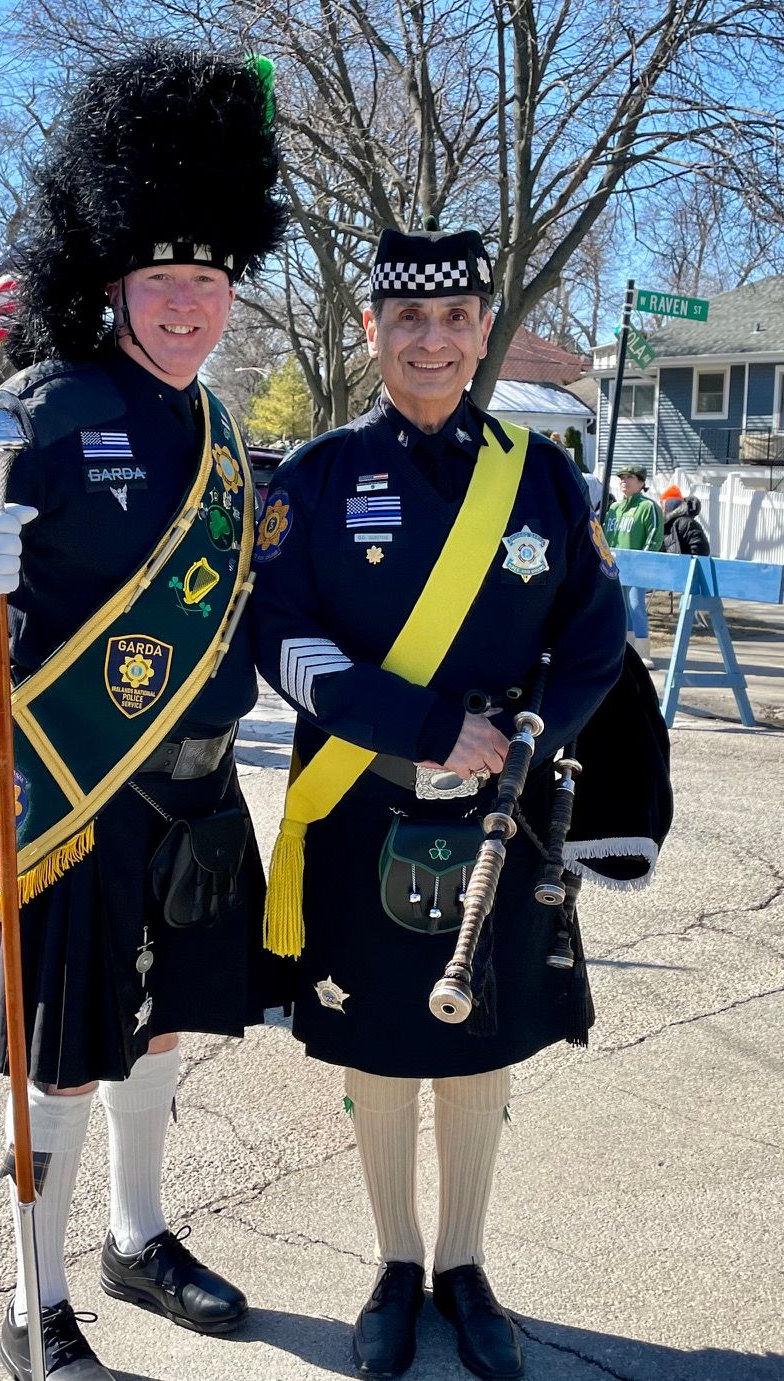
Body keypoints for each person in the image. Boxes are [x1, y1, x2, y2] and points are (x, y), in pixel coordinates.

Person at [0, 44, 288, 1381]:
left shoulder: (225, 434)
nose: (187, 305)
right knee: (56, 1064)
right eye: (162, 281)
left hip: (199, 793)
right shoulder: (40, 403)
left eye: (208, 281)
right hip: (75, 793)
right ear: (107, 281)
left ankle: (136, 1236)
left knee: (161, 1031)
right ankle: (31, 1303)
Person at [250, 225, 627, 1381]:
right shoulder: (313, 475)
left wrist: (526, 736)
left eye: (454, 319)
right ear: (371, 330)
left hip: (501, 814)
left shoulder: (543, 474)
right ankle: (394, 1262)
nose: (431, 340)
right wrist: (417, 725)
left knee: (476, 1041)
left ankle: (463, 1268)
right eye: (406, 319)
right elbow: (280, 638)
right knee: (380, 1041)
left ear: (480, 334)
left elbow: (597, 633)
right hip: (363, 801)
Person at [603, 463, 663, 668]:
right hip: (614, 568)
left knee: (636, 606)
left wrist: (643, 561)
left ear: (641, 482)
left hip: (638, 568)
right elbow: (603, 536)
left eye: (630, 477)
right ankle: (627, 649)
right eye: (622, 477)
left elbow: (654, 536)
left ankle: (643, 652)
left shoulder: (648, 507)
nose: (624, 481)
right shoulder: (613, 509)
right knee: (621, 609)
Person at [660, 484, 711, 557]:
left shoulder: (685, 523)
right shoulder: (665, 523)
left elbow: (701, 550)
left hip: (684, 566)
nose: (661, 508)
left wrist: (687, 564)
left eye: (662, 504)